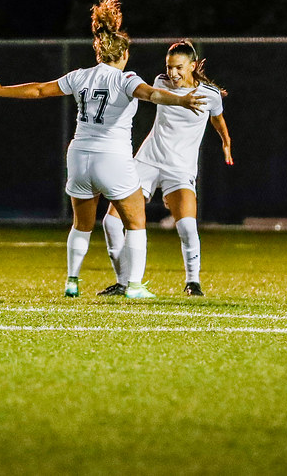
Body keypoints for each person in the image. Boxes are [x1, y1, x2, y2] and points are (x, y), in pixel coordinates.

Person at [0, 0, 206, 299]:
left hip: (78, 156)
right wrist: (181, 99)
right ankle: (134, 286)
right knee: (136, 222)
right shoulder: (126, 79)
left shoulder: (80, 76)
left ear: (98, 51)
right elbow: (153, 95)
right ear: (123, 53)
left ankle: (72, 281)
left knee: (81, 225)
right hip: (111, 158)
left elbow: (38, 89)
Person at [98, 40, 231, 297]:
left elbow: (217, 118)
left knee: (187, 227)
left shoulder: (210, 95)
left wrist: (226, 141)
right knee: (111, 222)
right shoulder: (160, 82)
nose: (173, 73)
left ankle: (193, 282)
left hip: (179, 170)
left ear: (192, 66)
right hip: (147, 161)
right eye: (169, 67)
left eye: (179, 68)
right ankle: (123, 282)